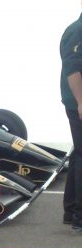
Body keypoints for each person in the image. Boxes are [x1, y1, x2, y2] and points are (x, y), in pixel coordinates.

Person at [60, 7, 82, 230]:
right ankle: (80, 217)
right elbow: (73, 69)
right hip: (77, 103)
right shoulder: (76, 31)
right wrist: (80, 101)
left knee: (79, 153)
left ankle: (72, 209)